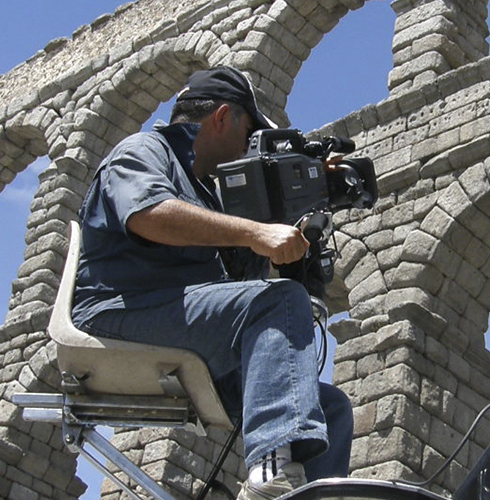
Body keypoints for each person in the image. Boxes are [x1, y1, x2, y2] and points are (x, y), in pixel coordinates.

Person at [70, 66, 352, 499]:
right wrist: (254, 233)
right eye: (250, 133)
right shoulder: (144, 150)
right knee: (277, 301)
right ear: (223, 117)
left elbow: (240, 290)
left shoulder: (210, 196)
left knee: (329, 407)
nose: (248, 147)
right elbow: (149, 214)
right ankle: (272, 475)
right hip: (117, 312)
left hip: (182, 324)